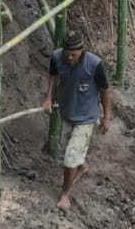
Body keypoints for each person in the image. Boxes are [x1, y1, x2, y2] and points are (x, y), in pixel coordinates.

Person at [42, 31, 113, 209]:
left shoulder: (94, 64)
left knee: (69, 156)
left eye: (74, 54)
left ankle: (65, 194)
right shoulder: (57, 57)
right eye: (67, 54)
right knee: (72, 150)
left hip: (87, 117)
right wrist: (48, 97)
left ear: (82, 50)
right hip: (67, 112)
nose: (70, 57)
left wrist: (106, 117)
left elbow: (105, 91)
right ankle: (82, 166)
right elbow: (52, 75)